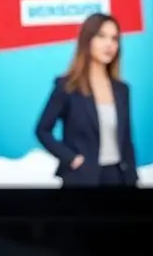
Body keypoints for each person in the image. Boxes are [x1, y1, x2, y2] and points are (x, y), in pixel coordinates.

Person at [34, 12, 139, 188]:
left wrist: (133, 179)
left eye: (114, 39)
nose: (109, 44)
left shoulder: (122, 90)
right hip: (81, 179)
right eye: (101, 36)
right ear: (87, 40)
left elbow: (126, 141)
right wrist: (71, 158)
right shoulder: (67, 87)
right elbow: (42, 130)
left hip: (117, 178)